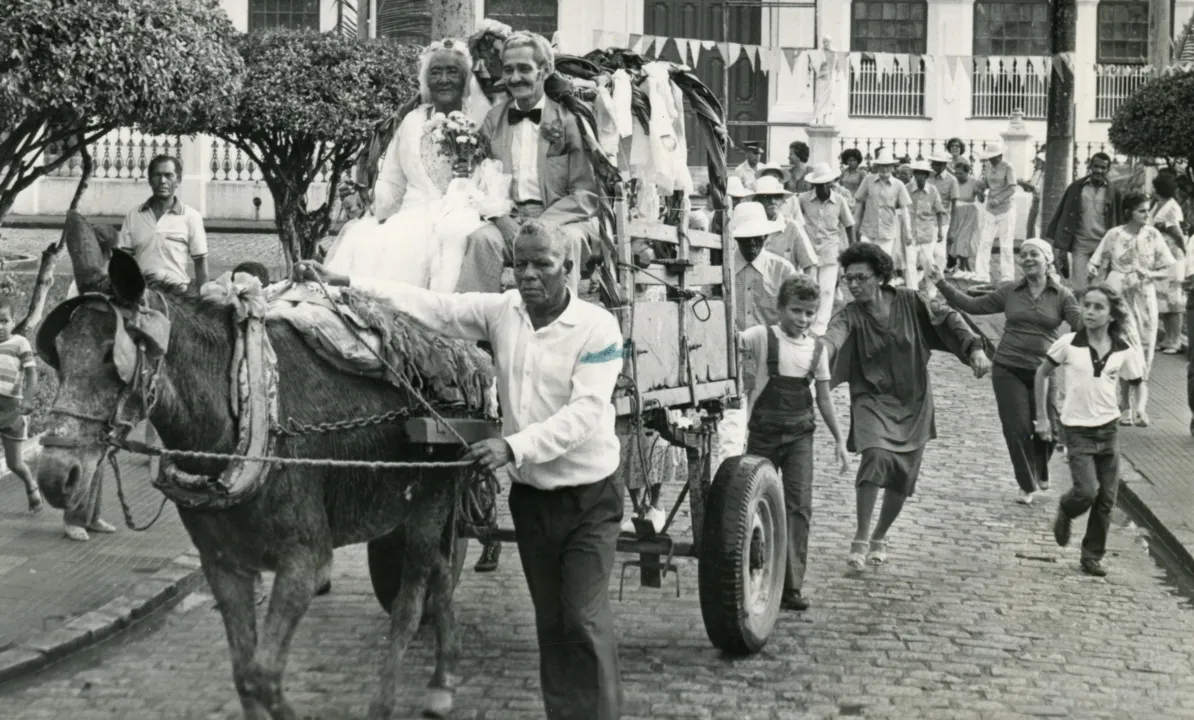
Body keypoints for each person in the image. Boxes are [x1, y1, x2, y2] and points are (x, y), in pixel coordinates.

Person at [299, 220, 625, 719]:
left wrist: (511, 447)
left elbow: (584, 415)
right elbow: (436, 307)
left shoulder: (597, 327)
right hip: (533, 499)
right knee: (552, 621)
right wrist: (347, 283)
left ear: (569, 269)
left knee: (582, 615)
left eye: (543, 264)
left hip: (590, 498)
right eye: (521, 265)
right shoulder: (504, 312)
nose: (530, 275)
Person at [820, 243, 990, 570]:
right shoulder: (850, 314)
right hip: (871, 398)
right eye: (847, 279)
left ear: (881, 276)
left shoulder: (911, 301)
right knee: (875, 457)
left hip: (914, 400)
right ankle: (860, 535)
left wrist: (975, 349)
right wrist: (820, 353)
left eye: (860, 278)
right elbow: (832, 338)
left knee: (902, 476)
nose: (853, 285)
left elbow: (949, 318)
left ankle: (880, 536)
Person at [326, 39, 507, 293]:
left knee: (451, 241)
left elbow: (494, 173)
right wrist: (369, 201)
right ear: (426, 80)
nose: (444, 79)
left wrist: (467, 184)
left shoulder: (481, 119)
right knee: (371, 242)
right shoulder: (412, 120)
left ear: (466, 78)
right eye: (436, 72)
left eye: (452, 71)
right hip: (410, 215)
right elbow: (392, 180)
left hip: (462, 213)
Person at [928, 239, 1080, 505]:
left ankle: (1041, 464)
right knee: (1016, 428)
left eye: (1035, 254)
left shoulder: (1062, 295)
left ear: (1048, 260)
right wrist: (941, 282)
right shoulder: (1011, 291)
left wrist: (1102, 320)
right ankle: (1026, 483)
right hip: (1007, 368)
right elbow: (973, 306)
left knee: (1051, 429)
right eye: (1024, 255)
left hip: (1043, 370)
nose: (1028, 259)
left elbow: (1080, 323)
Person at [739, 275, 848, 612]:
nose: (802, 319)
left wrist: (840, 440)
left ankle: (791, 585)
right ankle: (747, 578)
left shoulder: (817, 349)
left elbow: (825, 399)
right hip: (763, 434)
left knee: (798, 508)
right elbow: (732, 344)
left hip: (801, 435)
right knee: (752, 504)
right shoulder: (762, 337)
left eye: (809, 313)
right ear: (781, 308)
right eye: (796, 310)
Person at [462, 31, 599, 296]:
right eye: (508, 69)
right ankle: (473, 329)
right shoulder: (494, 118)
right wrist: (501, 220)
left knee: (565, 242)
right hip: (509, 219)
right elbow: (480, 180)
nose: (514, 78)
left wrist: (542, 225)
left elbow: (586, 193)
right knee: (481, 240)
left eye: (524, 69)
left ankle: (557, 326)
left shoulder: (569, 119)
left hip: (562, 219)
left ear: (545, 70)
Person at [1035, 284, 1144, 577]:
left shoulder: (1123, 349)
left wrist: (1138, 408)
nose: (1091, 312)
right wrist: (1042, 417)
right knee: (1086, 491)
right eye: (1087, 306)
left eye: (1098, 307)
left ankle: (1091, 555)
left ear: (1111, 315)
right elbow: (1042, 373)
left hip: (1108, 430)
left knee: (1106, 499)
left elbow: (1136, 381)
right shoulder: (1069, 343)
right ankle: (1066, 510)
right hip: (1077, 429)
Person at [714, 201, 798, 476]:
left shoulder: (782, 271)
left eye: (756, 238)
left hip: (770, 364)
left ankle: (762, 489)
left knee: (766, 433)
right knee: (731, 432)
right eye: (744, 239)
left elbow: (797, 318)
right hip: (732, 361)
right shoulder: (721, 271)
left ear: (765, 236)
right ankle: (727, 488)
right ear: (735, 238)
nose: (751, 244)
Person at [1087, 192, 1175, 427]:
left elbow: (1169, 267)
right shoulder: (1114, 235)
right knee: (1123, 347)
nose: (1147, 215)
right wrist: (1094, 280)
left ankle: (1139, 406)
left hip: (1144, 297)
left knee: (1145, 348)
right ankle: (1123, 404)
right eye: (1142, 211)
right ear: (1129, 213)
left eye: (1148, 210)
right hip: (1118, 298)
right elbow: (1099, 263)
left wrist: (1150, 274)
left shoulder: (1153, 235)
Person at [110, 155, 208, 288]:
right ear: (150, 180)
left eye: (169, 176)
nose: (162, 181)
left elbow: (201, 261)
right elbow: (124, 260)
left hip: (177, 296)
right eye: (157, 175)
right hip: (142, 294)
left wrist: (202, 299)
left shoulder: (191, 217)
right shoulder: (134, 215)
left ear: (178, 181)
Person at [1044, 152, 1125, 288]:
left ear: (1108, 170)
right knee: (1080, 287)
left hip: (1104, 245)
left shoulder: (1114, 191)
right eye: (1096, 166)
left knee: (1101, 288)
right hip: (1081, 244)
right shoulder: (1076, 188)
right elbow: (1063, 215)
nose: (1099, 170)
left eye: (1103, 168)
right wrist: (1062, 248)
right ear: (1090, 166)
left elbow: (1120, 220)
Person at [798, 162, 854, 336]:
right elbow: (796, 221)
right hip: (808, 251)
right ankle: (806, 322)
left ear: (831, 183)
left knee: (827, 289)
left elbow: (849, 225)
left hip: (830, 250)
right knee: (808, 288)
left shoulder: (839, 200)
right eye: (819, 185)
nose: (823, 187)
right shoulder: (803, 199)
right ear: (813, 184)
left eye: (826, 183)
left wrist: (853, 250)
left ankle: (820, 326)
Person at [0, 297, 40, 516]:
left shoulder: (20, 343)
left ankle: (31, 486)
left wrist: (27, 400)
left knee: (15, 463)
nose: (0, 326)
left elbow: (32, 376)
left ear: (12, 321)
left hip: (12, 409)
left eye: (4, 321)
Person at [853, 148, 912, 281]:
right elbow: (859, 202)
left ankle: (886, 289)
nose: (884, 169)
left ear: (892, 167)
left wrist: (908, 232)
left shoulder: (898, 185)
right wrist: (856, 226)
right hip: (868, 230)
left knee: (883, 263)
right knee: (866, 262)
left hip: (887, 231)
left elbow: (905, 210)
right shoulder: (868, 180)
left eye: (887, 166)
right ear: (877, 166)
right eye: (882, 166)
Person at [1149, 173, 1187, 355]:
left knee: (1174, 301)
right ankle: (1167, 338)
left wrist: (1185, 252)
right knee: (1161, 300)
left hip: (1172, 257)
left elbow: (1177, 233)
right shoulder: (1157, 205)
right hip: (1158, 259)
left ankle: (1176, 340)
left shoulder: (1171, 207)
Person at [747, 176, 817, 273]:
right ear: (756, 201)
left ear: (783, 201)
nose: (772, 201)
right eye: (766, 197)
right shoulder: (749, 229)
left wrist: (804, 287)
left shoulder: (792, 227)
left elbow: (809, 265)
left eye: (776, 196)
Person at [974, 143, 1017, 284]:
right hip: (990, 210)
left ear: (999, 155)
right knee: (985, 242)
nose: (991, 160)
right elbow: (985, 185)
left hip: (1006, 209)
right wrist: (980, 190)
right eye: (989, 157)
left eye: (993, 157)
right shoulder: (988, 168)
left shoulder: (1008, 167)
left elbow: (1012, 188)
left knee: (1006, 244)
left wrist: (999, 199)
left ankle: (1008, 276)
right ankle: (982, 274)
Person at [904, 160, 947, 294]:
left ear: (927, 175)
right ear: (914, 174)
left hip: (927, 232)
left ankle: (932, 289)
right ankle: (913, 291)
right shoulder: (906, 189)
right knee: (910, 261)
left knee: (928, 261)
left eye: (923, 174)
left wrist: (940, 230)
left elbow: (939, 211)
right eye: (917, 173)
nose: (919, 177)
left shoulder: (933, 190)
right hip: (910, 231)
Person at [948, 160, 982, 279]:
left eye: (961, 173)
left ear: (968, 172)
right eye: (956, 173)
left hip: (969, 213)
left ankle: (962, 268)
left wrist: (980, 192)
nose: (958, 176)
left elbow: (981, 199)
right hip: (956, 213)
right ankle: (968, 269)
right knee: (957, 240)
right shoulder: (953, 182)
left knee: (964, 240)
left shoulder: (974, 182)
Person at [1020, 153, 1046, 238]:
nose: (1035, 163)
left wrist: (1024, 183)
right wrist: (1023, 184)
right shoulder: (1037, 173)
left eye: (1038, 161)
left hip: (1041, 203)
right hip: (1035, 202)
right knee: (1030, 226)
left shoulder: (1045, 174)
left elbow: (1037, 189)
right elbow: (1029, 189)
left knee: (1036, 227)